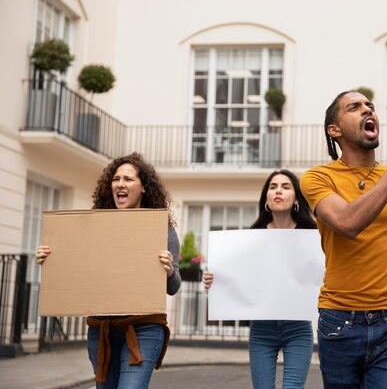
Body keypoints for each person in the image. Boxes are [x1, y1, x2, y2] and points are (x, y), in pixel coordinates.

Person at [300, 91, 387, 388]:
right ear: (335, 129)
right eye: (354, 107)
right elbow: (347, 222)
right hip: (340, 321)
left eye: (370, 106)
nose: (367, 110)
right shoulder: (317, 178)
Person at [37, 152, 181, 389]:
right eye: (116, 179)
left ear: (144, 187)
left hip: (143, 328)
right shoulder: (94, 227)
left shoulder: (161, 229)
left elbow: (174, 287)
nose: (120, 184)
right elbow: (77, 268)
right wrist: (52, 259)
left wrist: (168, 271)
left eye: (128, 179)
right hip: (101, 330)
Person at [203, 169, 317, 389]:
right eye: (273, 187)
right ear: (266, 197)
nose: (278, 191)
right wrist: (214, 280)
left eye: (285, 187)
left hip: (298, 327)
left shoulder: (311, 234)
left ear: (295, 198)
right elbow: (236, 278)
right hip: (262, 328)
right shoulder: (252, 236)